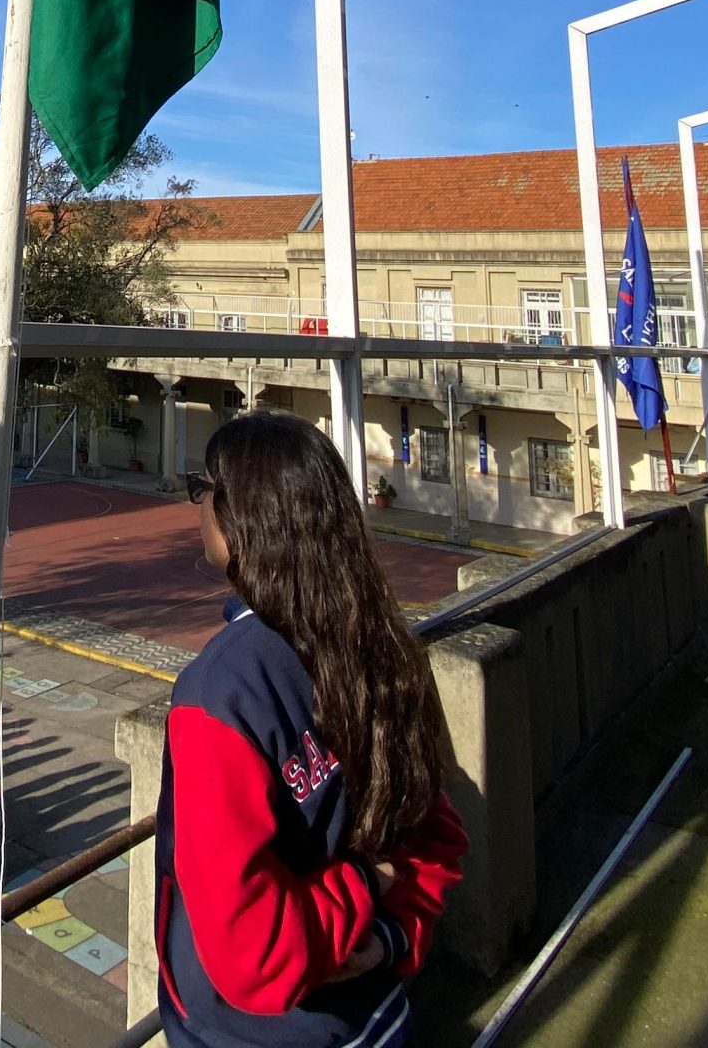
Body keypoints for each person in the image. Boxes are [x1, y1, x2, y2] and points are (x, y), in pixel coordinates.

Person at [159, 414, 469, 1048]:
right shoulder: (380, 645)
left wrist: (362, 884)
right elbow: (435, 831)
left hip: (247, 1033)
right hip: (378, 1014)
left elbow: (252, 954)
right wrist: (388, 934)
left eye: (203, 487)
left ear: (242, 518)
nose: (197, 504)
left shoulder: (219, 694)